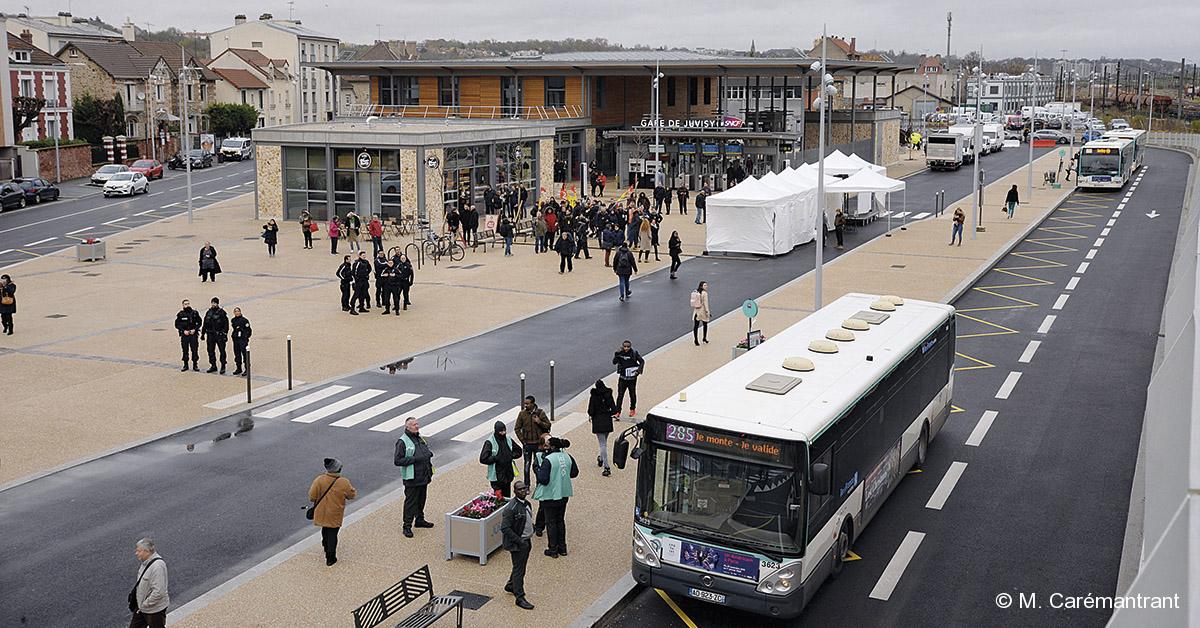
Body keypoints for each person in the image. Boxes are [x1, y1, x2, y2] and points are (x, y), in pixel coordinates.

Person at [308, 457, 357, 566]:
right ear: (338, 469)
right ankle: (330, 557)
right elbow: (352, 495)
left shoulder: (319, 480)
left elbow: (312, 496)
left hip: (321, 511)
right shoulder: (343, 482)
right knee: (333, 533)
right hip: (335, 512)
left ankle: (325, 545)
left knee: (325, 529)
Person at [535, 437, 578, 558]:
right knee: (560, 520)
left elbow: (543, 479)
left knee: (551, 522)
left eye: (547, 445)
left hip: (551, 494)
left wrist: (538, 470)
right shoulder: (567, 456)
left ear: (552, 447)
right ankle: (562, 548)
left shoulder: (548, 459)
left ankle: (553, 549)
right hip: (564, 492)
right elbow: (574, 473)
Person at [393, 417, 435, 538]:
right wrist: (415, 459)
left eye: (417, 424)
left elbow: (424, 450)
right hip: (412, 478)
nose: (417, 426)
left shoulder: (420, 437)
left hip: (424, 475)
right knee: (411, 502)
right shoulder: (402, 441)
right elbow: (397, 460)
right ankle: (407, 526)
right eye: (414, 425)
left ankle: (420, 520)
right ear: (407, 427)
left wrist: (428, 454)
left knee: (422, 499)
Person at [500, 481, 536, 610]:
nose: (523, 491)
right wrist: (519, 541)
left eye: (524, 489)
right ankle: (519, 597)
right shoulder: (511, 508)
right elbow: (505, 528)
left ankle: (511, 585)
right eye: (520, 489)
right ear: (514, 491)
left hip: (526, 540)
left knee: (519, 566)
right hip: (519, 544)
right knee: (519, 570)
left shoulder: (527, 504)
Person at [129, 538, 169, 628]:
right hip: (142, 608)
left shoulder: (157, 567)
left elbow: (159, 592)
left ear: (147, 551)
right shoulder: (145, 563)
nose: (136, 553)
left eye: (139, 551)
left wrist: (144, 605)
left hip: (154, 610)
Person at [480, 421, 523, 497]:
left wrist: (511, 456)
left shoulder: (508, 439)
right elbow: (483, 458)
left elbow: (519, 451)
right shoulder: (490, 442)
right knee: (499, 498)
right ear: (496, 431)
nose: (503, 433)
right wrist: (496, 458)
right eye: (501, 431)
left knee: (507, 496)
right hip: (496, 476)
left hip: (508, 474)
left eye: (504, 431)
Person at [515, 396, 551, 480]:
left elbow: (548, 425)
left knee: (538, 465)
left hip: (538, 444)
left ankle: (539, 482)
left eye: (527, 404)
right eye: (525, 404)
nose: (525, 405)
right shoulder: (522, 414)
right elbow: (517, 428)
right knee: (527, 466)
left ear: (533, 403)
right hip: (527, 444)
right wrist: (523, 441)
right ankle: (527, 485)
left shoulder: (540, 412)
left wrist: (539, 422)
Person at [587, 380, 617, 476]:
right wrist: (608, 412)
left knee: (602, 444)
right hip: (607, 421)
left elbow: (590, 411)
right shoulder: (608, 394)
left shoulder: (594, 396)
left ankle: (606, 466)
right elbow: (614, 409)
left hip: (598, 422)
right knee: (604, 443)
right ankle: (600, 458)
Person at [613, 340, 645, 416]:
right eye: (625, 347)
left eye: (628, 347)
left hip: (632, 379)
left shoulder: (634, 353)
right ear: (622, 346)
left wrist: (638, 371)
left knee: (632, 394)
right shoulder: (620, 353)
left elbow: (642, 361)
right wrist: (616, 354)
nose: (626, 348)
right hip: (622, 378)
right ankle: (618, 411)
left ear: (630, 347)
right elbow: (614, 362)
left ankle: (632, 409)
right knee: (620, 395)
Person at [201, 297, 229, 374]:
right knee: (210, 350)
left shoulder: (222, 312)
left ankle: (223, 365)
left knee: (222, 351)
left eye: (215, 303)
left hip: (219, 334)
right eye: (212, 303)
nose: (213, 304)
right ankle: (213, 365)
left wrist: (224, 333)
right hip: (210, 334)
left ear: (217, 303)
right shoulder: (208, 312)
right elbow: (205, 323)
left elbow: (226, 324)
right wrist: (203, 333)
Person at [174, 298, 201, 371]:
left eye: (188, 304)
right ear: (183, 305)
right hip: (185, 335)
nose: (187, 305)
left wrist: (195, 329)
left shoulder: (195, 313)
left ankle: (195, 365)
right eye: (185, 304)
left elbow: (200, 322)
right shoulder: (180, 314)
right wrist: (183, 331)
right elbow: (177, 325)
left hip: (193, 335)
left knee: (194, 350)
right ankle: (185, 365)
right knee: (185, 350)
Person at [230, 307, 251, 376]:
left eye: (238, 311)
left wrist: (245, 337)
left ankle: (247, 369)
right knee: (237, 354)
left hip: (242, 340)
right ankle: (238, 368)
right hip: (236, 339)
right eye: (235, 311)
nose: (237, 313)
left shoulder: (245, 320)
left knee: (245, 354)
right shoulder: (233, 320)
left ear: (240, 312)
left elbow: (249, 330)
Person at [691, 281, 711, 345]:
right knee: (705, 324)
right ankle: (704, 338)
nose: (706, 286)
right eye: (705, 285)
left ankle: (696, 340)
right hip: (702, 311)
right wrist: (707, 312)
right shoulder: (704, 293)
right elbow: (706, 303)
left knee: (696, 326)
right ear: (702, 286)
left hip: (696, 311)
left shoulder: (696, 291)